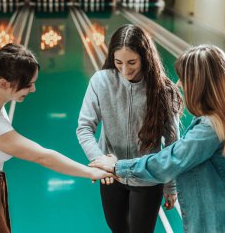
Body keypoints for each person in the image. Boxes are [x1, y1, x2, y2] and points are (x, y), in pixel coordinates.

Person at [0, 43, 112, 233]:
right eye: (28, 84)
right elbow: (43, 156)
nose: (33, 89)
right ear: (3, 83)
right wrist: (90, 172)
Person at [90, 44, 225, 232]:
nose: (178, 84)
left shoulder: (211, 128)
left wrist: (117, 166)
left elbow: (169, 161)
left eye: (184, 79)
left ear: (199, 84)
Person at [76, 24, 183, 233]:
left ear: (145, 57)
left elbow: (173, 142)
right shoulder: (100, 82)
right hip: (111, 176)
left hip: (148, 176)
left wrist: (171, 185)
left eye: (132, 62)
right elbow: (84, 128)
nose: (125, 70)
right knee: (117, 229)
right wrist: (101, 163)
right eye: (118, 62)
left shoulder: (164, 90)